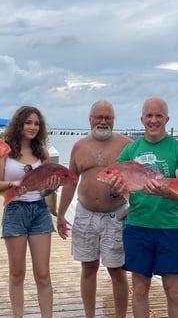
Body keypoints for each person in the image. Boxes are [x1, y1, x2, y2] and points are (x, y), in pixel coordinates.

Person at [57, 100, 132, 318]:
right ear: (90, 119)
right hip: (85, 214)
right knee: (88, 268)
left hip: (116, 216)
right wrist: (61, 214)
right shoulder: (79, 146)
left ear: (114, 121)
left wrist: (132, 206)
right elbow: (70, 181)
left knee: (117, 270)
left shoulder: (126, 145)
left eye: (108, 117)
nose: (103, 121)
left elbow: (136, 179)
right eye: (98, 117)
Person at [108, 97, 178, 318]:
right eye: (149, 115)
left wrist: (167, 192)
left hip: (171, 227)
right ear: (142, 119)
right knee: (139, 290)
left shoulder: (176, 148)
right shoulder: (131, 150)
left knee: (174, 291)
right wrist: (116, 188)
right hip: (138, 226)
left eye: (158, 116)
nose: (153, 120)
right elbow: (116, 184)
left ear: (167, 119)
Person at [0, 105, 60, 318]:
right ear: (19, 124)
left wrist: (51, 187)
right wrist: (14, 183)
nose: (32, 127)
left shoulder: (43, 154)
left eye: (36, 123)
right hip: (14, 210)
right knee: (17, 273)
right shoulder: (4, 152)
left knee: (43, 273)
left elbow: (44, 191)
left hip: (39, 210)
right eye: (28, 122)